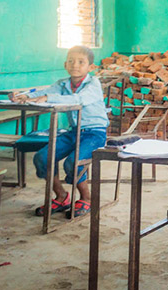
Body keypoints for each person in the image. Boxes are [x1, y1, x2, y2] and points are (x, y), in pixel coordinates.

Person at [11, 45, 108, 218]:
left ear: (90, 67)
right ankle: (62, 196)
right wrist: (24, 96)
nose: (75, 65)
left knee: (72, 162)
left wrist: (48, 98)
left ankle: (86, 197)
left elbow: (79, 99)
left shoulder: (93, 84)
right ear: (65, 64)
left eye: (81, 62)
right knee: (43, 157)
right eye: (70, 61)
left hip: (95, 133)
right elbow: (45, 92)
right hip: (73, 132)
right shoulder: (62, 84)